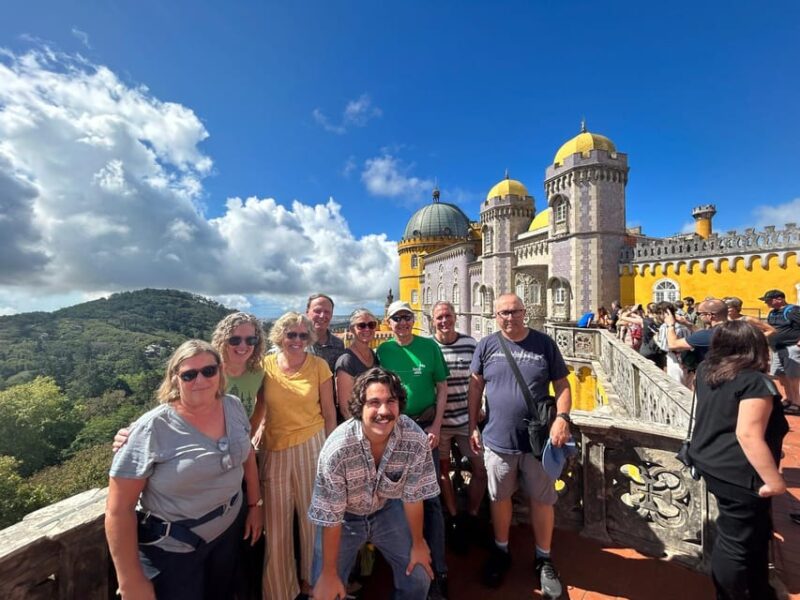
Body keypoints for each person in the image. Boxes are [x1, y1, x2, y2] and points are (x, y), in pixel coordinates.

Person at [106, 340, 263, 600]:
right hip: (174, 549)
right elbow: (117, 510)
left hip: (228, 532)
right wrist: (130, 580)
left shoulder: (232, 406)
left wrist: (255, 506)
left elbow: (246, 455)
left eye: (208, 371)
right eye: (189, 374)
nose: (200, 379)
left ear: (220, 371)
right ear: (175, 379)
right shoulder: (152, 428)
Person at [468, 293, 571, 597]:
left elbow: (563, 384)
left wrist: (563, 418)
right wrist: (472, 424)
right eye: (502, 313)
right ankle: (502, 551)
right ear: (494, 316)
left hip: (539, 443)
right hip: (498, 440)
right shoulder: (487, 345)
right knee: (499, 498)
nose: (508, 318)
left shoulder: (543, 344)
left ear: (525, 313)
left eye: (514, 312)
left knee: (542, 499)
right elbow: (475, 386)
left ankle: (543, 558)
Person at [309, 367, 439, 600]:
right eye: (374, 402)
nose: (384, 411)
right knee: (324, 590)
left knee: (420, 576)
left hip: (387, 509)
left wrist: (418, 544)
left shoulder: (414, 439)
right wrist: (329, 573)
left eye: (391, 401)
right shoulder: (338, 450)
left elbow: (413, 498)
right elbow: (331, 517)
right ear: (360, 408)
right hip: (345, 518)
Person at [688, 320, 789, 599]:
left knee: (754, 531)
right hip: (739, 473)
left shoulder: (707, 369)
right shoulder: (754, 382)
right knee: (734, 542)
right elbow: (748, 435)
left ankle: (759, 589)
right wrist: (775, 481)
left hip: (710, 461)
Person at [377, 300, 450, 599]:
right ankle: (408, 564)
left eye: (407, 317)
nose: (403, 323)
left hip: (424, 429)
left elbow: (442, 387)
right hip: (394, 432)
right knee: (396, 499)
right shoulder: (383, 352)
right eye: (397, 318)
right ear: (389, 322)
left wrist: (436, 428)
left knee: (430, 500)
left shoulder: (429, 347)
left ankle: (439, 569)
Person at [261, 312, 337, 600]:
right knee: (277, 527)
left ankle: (314, 584)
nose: (296, 340)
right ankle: (279, 592)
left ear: (310, 339)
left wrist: (329, 452)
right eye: (290, 334)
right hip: (275, 448)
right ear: (280, 335)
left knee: (312, 523)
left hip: (311, 445)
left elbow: (330, 412)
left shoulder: (318, 366)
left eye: (302, 336)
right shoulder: (265, 365)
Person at [430, 301, 486, 550]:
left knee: (481, 468)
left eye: (448, 316)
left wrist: (481, 406)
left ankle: (472, 514)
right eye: (439, 317)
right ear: (433, 321)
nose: (444, 321)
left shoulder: (470, 344)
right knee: (442, 472)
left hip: (466, 421)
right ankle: (454, 517)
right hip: (439, 425)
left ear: (455, 316)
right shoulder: (428, 348)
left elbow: (480, 380)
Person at [335, 308, 380, 419]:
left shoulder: (373, 355)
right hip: (358, 425)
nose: (367, 329)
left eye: (371, 324)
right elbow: (346, 409)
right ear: (352, 329)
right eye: (361, 325)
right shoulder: (346, 361)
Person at [761, 289, 800, 414]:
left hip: (791, 348)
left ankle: (797, 403)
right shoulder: (772, 313)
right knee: (781, 375)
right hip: (777, 349)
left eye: (768, 301)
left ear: (779, 299)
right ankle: (789, 398)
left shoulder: (793, 311)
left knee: (793, 376)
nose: (767, 303)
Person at [664, 297, 728, 367]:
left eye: (699, 313)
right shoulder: (737, 328)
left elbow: (673, 345)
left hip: (713, 373)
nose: (699, 316)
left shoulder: (710, 334)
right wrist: (686, 323)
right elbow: (703, 333)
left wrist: (670, 325)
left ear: (709, 315)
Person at [306, 293, 346, 372]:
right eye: (317, 311)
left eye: (327, 312)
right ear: (307, 313)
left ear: (331, 315)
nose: (322, 316)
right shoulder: (297, 341)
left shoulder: (338, 344)